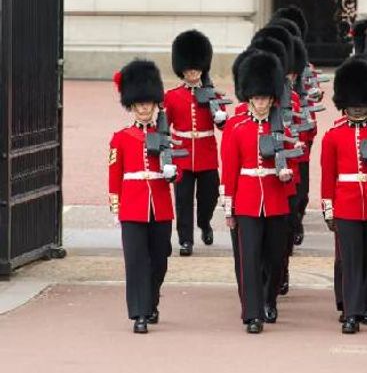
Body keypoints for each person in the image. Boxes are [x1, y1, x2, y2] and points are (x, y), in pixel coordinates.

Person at [220, 52, 294, 334]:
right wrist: (229, 207)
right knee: (249, 257)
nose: (261, 103)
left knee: (276, 258)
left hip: (275, 199)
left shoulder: (282, 128)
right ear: (249, 98)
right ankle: (252, 313)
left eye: (265, 98)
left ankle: (269, 299)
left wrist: (286, 176)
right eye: (257, 98)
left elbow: (293, 164)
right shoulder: (236, 128)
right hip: (247, 201)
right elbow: (229, 170)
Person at [108, 59, 176, 334]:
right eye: (139, 104)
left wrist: (174, 171)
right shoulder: (121, 138)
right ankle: (139, 313)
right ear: (132, 106)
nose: (144, 108)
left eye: (148, 103)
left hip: (160, 206)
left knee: (159, 259)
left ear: (155, 104)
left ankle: (152, 300)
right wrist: (117, 207)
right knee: (136, 262)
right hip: (133, 207)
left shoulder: (166, 137)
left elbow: (177, 173)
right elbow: (114, 175)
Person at [321, 56, 367, 334]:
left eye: (361, 105)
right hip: (345, 204)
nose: (357, 110)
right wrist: (328, 207)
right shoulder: (333, 135)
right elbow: (327, 175)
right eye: (352, 105)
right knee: (349, 258)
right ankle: (350, 310)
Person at [164, 30, 226, 256]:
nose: (192, 73)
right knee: (182, 200)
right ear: (182, 69)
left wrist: (220, 117)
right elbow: (164, 127)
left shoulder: (212, 94)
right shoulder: (171, 96)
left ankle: (205, 222)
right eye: (189, 69)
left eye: (196, 68)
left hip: (206, 153)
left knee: (209, 196)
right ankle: (185, 240)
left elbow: (222, 125)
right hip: (181, 154)